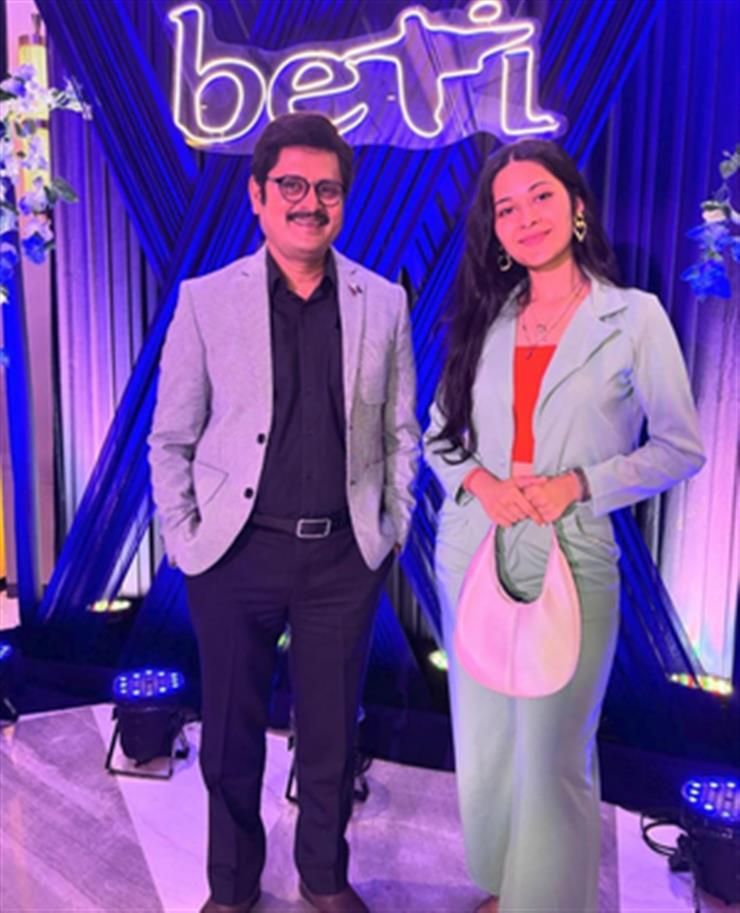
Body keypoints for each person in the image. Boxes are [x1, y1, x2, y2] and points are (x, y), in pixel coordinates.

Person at [424, 138, 705, 912]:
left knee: (552, 756)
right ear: (495, 230)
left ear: (577, 207)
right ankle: (505, 888)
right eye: (506, 208)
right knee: (485, 745)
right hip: (475, 544)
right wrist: (480, 481)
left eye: (541, 196)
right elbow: (438, 434)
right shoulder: (486, 318)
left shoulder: (634, 317)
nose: (525, 217)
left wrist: (581, 483)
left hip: (573, 550)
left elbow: (681, 447)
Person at [148, 112, 419, 913]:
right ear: (257, 195)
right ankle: (232, 887)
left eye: (327, 189)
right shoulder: (206, 301)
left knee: (332, 736)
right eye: (292, 185)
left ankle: (324, 878)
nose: (310, 202)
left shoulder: (383, 302)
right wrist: (184, 538)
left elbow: (401, 431)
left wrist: (390, 529)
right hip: (234, 556)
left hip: (343, 557)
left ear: (344, 201)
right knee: (230, 740)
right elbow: (171, 437)